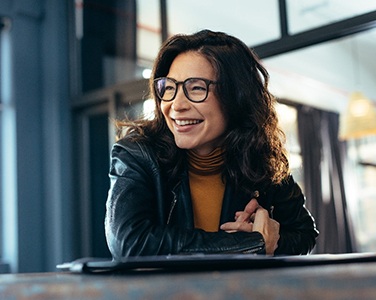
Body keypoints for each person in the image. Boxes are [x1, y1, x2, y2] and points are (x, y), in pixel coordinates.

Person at [105, 29, 318, 259]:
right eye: (169, 87)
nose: (176, 105)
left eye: (196, 88)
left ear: (236, 96)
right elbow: (129, 242)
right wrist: (250, 243)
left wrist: (272, 239)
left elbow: (305, 233)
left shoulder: (260, 157)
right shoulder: (137, 154)